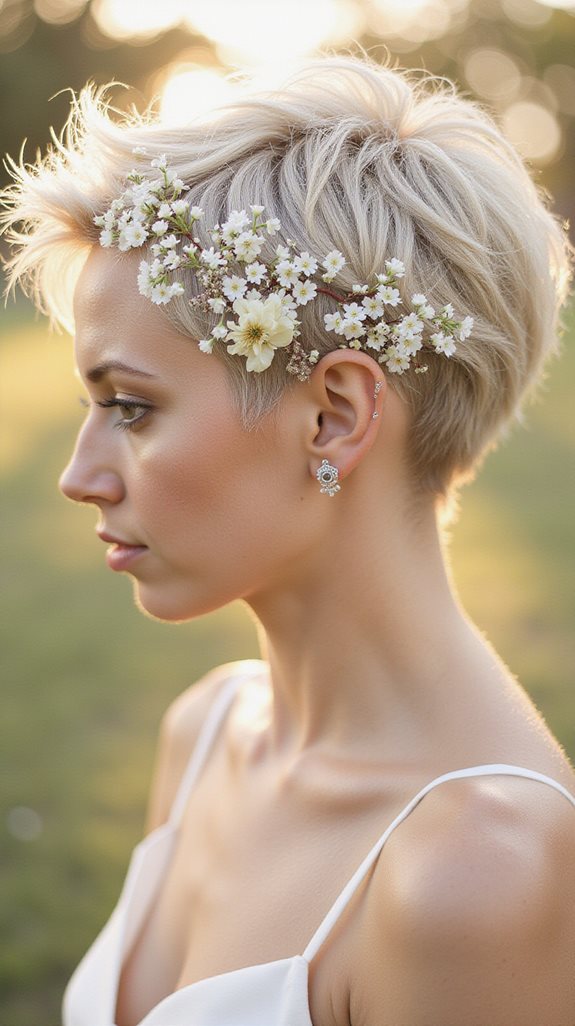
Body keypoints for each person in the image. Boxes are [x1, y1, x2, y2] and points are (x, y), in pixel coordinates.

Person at [2, 54, 574, 1026]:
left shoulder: (477, 877)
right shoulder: (206, 732)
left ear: (333, 416)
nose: (79, 475)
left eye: (131, 408)